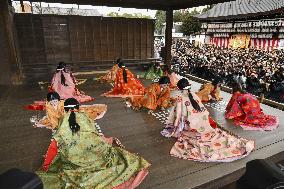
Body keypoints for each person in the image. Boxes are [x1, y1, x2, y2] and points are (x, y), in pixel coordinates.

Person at [36, 98, 150, 189]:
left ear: (65, 109)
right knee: (117, 155)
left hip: (73, 158)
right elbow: (93, 135)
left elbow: (57, 143)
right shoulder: (85, 117)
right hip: (95, 152)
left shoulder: (62, 120)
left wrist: (47, 164)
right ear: (78, 108)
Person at [161, 78, 254, 162]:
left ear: (179, 88)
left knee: (184, 120)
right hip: (202, 121)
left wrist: (173, 127)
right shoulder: (194, 95)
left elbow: (178, 116)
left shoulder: (180, 99)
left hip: (192, 125)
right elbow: (202, 108)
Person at [31, 92, 107, 130]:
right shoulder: (48, 106)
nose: (54, 102)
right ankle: (41, 124)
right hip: (56, 117)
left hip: (66, 114)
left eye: (55, 100)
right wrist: (55, 124)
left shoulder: (63, 103)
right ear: (48, 101)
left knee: (82, 115)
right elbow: (51, 116)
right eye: (51, 101)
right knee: (50, 122)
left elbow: (68, 113)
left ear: (58, 99)